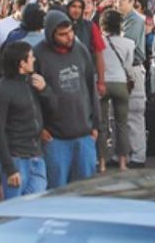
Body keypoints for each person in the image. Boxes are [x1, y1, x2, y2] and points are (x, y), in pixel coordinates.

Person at [33, 10, 100, 189]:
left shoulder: (81, 50)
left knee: (85, 190)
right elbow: (32, 98)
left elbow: (90, 88)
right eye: (62, 34)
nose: (69, 37)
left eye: (70, 31)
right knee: (57, 190)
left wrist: (96, 125)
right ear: (50, 34)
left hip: (84, 134)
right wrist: (40, 128)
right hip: (55, 138)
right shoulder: (38, 54)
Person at [0, 41, 56, 199]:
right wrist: (10, 168)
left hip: (36, 157)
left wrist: (45, 90)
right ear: (22, 63)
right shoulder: (1, 90)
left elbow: (53, 108)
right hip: (17, 161)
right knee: (15, 214)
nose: (34, 60)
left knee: (36, 209)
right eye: (31, 57)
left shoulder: (32, 82)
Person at [97, 10, 135, 173]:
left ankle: (102, 162)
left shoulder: (98, 42)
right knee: (122, 124)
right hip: (120, 83)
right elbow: (128, 67)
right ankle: (122, 163)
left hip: (102, 83)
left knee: (102, 125)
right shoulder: (129, 43)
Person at [116, 0, 148, 168]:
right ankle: (123, 152)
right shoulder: (119, 18)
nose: (117, 2)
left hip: (132, 69)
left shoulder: (135, 20)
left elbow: (126, 44)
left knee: (134, 113)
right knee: (119, 114)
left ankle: (138, 155)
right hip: (119, 69)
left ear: (132, 1)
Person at [66, 0, 107, 106]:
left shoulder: (90, 27)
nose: (77, 10)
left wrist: (101, 81)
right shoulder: (60, 25)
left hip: (85, 77)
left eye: (80, 7)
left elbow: (99, 53)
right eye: (73, 6)